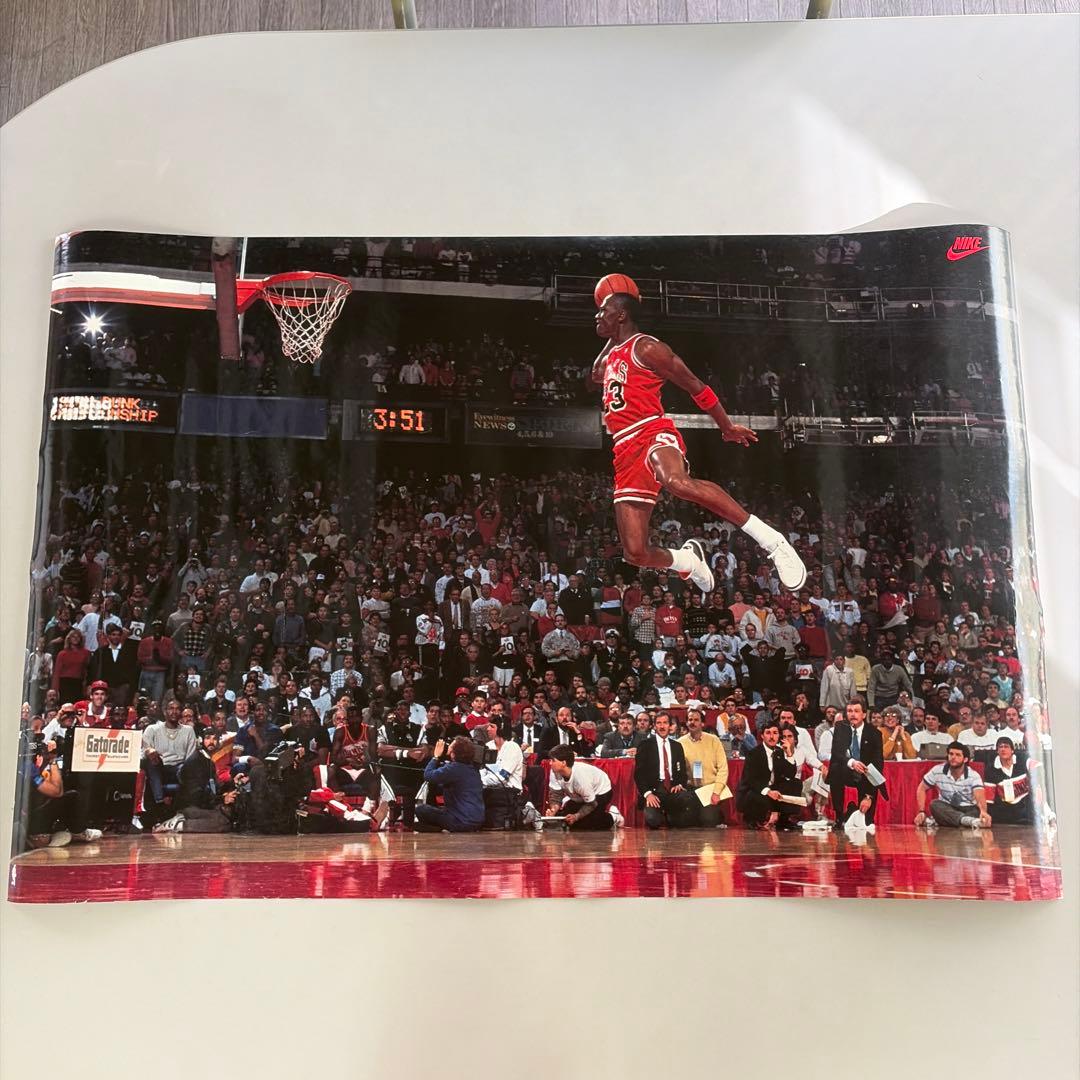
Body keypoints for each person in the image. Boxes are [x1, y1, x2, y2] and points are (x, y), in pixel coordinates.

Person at [591, 289, 806, 596]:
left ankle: (772, 541)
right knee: (635, 553)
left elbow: (695, 385)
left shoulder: (648, 347)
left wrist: (726, 426)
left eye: (604, 310)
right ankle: (688, 561)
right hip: (623, 448)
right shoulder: (612, 354)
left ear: (622, 315)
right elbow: (595, 375)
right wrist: (613, 331)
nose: (597, 315)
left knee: (676, 482)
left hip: (651, 430)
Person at [827, 700, 885, 827]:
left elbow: (878, 764)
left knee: (866, 823)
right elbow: (837, 752)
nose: (853, 714)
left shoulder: (874, 733)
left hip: (866, 774)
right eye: (849, 711)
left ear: (864, 714)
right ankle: (839, 816)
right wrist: (852, 762)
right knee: (835, 768)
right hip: (846, 770)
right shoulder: (840, 727)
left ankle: (857, 811)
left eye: (856, 711)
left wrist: (869, 797)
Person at [139, 699, 198, 825]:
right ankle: (160, 802)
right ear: (165, 711)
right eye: (171, 708)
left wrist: (186, 767)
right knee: (151, 761)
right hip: (159, 767)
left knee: (188, 766)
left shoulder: (188, 730)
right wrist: (149, 751)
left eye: (177, 709)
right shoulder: (152, 729)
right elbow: (143, 751)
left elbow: (190, 757)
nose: (174, 712)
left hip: (180, 768)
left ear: (181, 712)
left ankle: (183, 808)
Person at [633, 712, 696, 828]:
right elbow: (639, 774)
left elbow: (682, 772)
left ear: (670, 726)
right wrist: (648, 794)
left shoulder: (677, 746)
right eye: (659, 723)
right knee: (653, 821)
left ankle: (671, 814)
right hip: (654, 791)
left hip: (672, 790)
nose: (662, 726)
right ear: (654, 726)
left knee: (687, 798)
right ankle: (662, 814)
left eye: (665, 723)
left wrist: (680, 784)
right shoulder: (645, 745)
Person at [415, 737, 485, 833]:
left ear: (454, 752)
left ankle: (438, 828)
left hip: (461, 821)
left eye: (450, 746)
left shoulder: (454, 768)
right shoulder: (473, 769)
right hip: (477, 822)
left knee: (421, 809)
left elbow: (428, 775)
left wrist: (435, 757)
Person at [914, 742, 991, 829]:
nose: (953, 757)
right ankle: (968, 822)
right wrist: (921, 811)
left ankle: (942, 821)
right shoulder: (937, 770)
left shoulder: (973, 775)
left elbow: (980, 797)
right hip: (947, 807)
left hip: (968, 808)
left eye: (958, 755)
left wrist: (983, 812)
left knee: (976, 811)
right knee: (934, 805)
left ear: (965, 759)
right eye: (951, 754)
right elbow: (921, 788)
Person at [547, 745, 624, 829]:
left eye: (553, 760)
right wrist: (554, 810)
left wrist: (576, 816)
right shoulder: (554, 771)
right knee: (566, 819)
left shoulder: (581, 778)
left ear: (563, 763)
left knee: (585, 823)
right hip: (579, 796)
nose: (550, 763)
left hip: (601, 793)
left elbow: (591, 804)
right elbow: (556, 795)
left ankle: (614, 816)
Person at [678, 708, 730, 826]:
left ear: (702, 723)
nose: (692, 722)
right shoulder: (680, 742)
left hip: (710, 788)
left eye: (696, 720)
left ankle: (716, 815)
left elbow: (723, 768)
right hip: (690, 789)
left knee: (708, 820)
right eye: (690, 720)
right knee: (684, 822)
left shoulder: (714, 740)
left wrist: (716, 792)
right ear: (687, 723)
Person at [985, 737, 1036, 826]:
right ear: (997, 751)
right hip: (1004, 810)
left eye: (1006, 746)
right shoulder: (991, 769)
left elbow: (1039, 767)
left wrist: (1038, 787)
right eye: (1000, 747)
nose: (1003, 749)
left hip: (1024, 808)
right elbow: (989, 798)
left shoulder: (1022, 759)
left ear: (1012, 750)